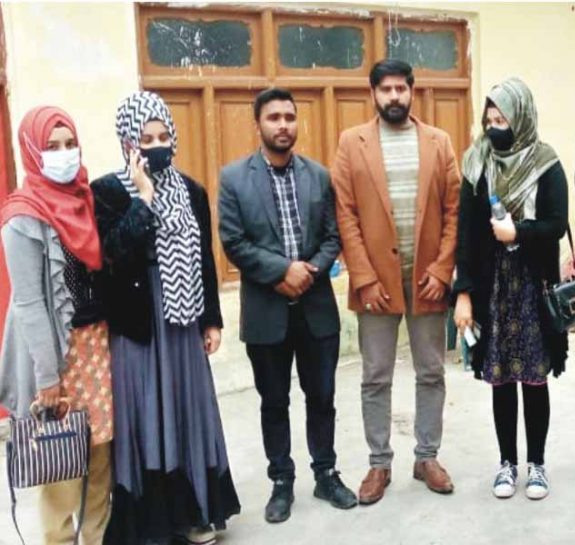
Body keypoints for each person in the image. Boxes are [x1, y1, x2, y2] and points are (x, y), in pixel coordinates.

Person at [92, 91, 239, 545]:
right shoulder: (107, 191)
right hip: (137, 323)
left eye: (163, 137)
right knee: (145, 413)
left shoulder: (192, 190)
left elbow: (205, 260)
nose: (157, 146)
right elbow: (112, 256)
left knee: (187, 410)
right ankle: (153, 522)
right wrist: (144, 198)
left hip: (182, 318)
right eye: (146, 139)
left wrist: (211, 320)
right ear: (127, 142)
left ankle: (193, 514)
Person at [218, 87, 357, 523]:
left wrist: (308, 272)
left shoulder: (319, 176)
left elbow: (333, 236)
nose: (283, 125)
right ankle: (281, 481)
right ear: (258, 124)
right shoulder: (234, 178)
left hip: (316, 308)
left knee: (323, 396)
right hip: (267, 311)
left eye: (289, 117)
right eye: (274, 117)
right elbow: (233, 241)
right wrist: (282, 271)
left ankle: (326, 474)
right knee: (274, 402)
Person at [333, 59, 461, 505]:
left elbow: (454, 212)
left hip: (427, 278)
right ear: (373, 94)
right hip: (377, 282)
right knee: (375, 375)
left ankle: (427, 457)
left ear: (411, 91)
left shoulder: (439, 142)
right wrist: (363, 277)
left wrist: (442, 269)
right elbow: (345, 214)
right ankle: (379, 463)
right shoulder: (351, 143)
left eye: (400, 89)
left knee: (431, 371)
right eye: (385, 89)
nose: (393, 96)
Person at [0, 106, 112, 544]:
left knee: (100, 457)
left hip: (98, 347)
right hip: (59, 355)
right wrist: (47, 377)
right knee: (61, 466)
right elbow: (29, 304)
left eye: (70, 144)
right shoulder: (22, 216)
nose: (64, 154)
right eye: (52, 146)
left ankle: (97, 538)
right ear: (32, 151)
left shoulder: (86, 199)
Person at [453, 77, 568, 501]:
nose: (494, 127)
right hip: (494, 289)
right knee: (500, 379)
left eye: (502, 119)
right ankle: (507, 463)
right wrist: (463, 292)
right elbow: (466, 234)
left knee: (535, 379)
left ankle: (536, 464)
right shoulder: (476, 163)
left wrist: (518, 230)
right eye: (489, 120)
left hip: (533, 287)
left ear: (521, 117)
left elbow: (557, 223)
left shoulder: (546, 163)